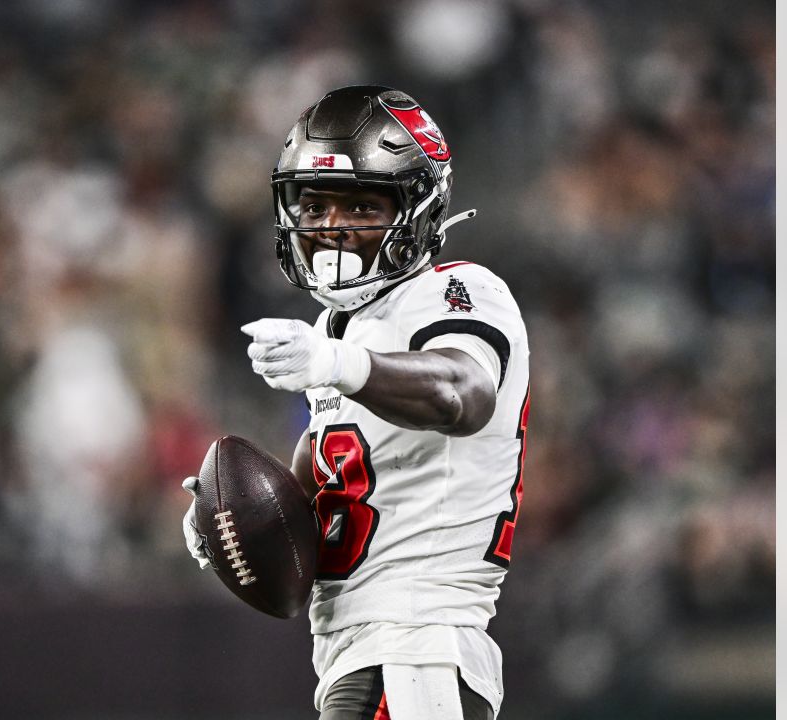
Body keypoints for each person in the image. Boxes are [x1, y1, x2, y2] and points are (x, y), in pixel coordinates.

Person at [183, 86, 530, 720]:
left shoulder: (458, 290)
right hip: (364, 653)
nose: (330, 226)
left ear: (418, 209)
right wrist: (228, 520)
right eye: (313, 205)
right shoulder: (334, 334)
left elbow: (462, 393)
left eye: (362, 205)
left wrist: (339, 366)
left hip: (418, 645)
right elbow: (324, 504)